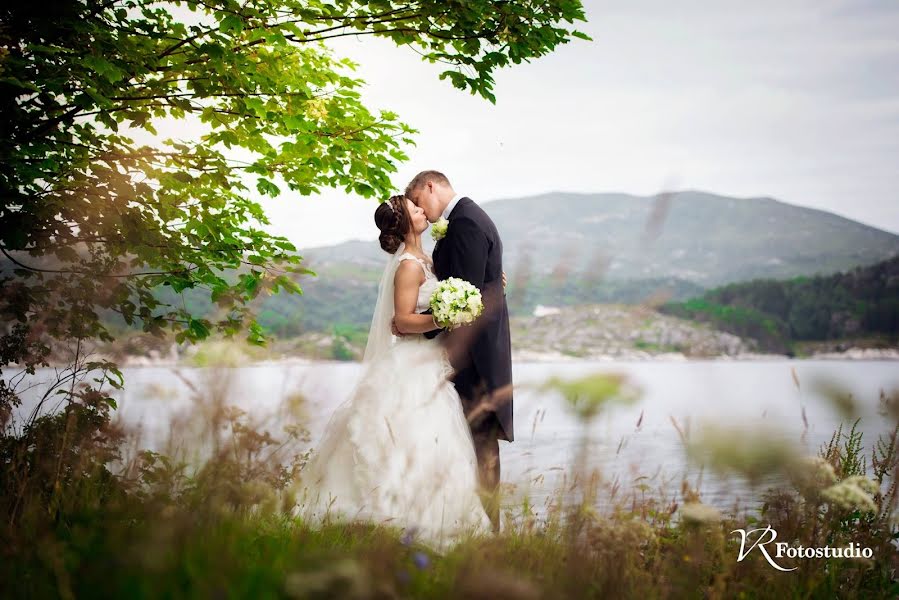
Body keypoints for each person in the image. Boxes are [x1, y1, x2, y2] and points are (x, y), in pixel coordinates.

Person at [292, 195, 491, 548]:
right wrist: (445, 316)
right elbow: (401, 321)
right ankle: (399, 516)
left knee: (435, 442)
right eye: (415, 209)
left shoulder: (425, 259)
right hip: (411, 366)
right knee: (414, 437)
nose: (423, 210)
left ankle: (439, 516)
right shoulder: (408, 266)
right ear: (404, 223)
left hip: (427, 362)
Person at [404, 170, 514, 533]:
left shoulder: (465, 222)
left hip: (474, 358)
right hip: (475, 355)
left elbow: (462, 301)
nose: (422, 212)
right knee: (473, 446)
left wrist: (416, 323)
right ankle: (478, 526)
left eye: (419, 202)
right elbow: (471, 288)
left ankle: (488, 528)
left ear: (430, 186)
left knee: (481, 447)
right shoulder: (466, 219)